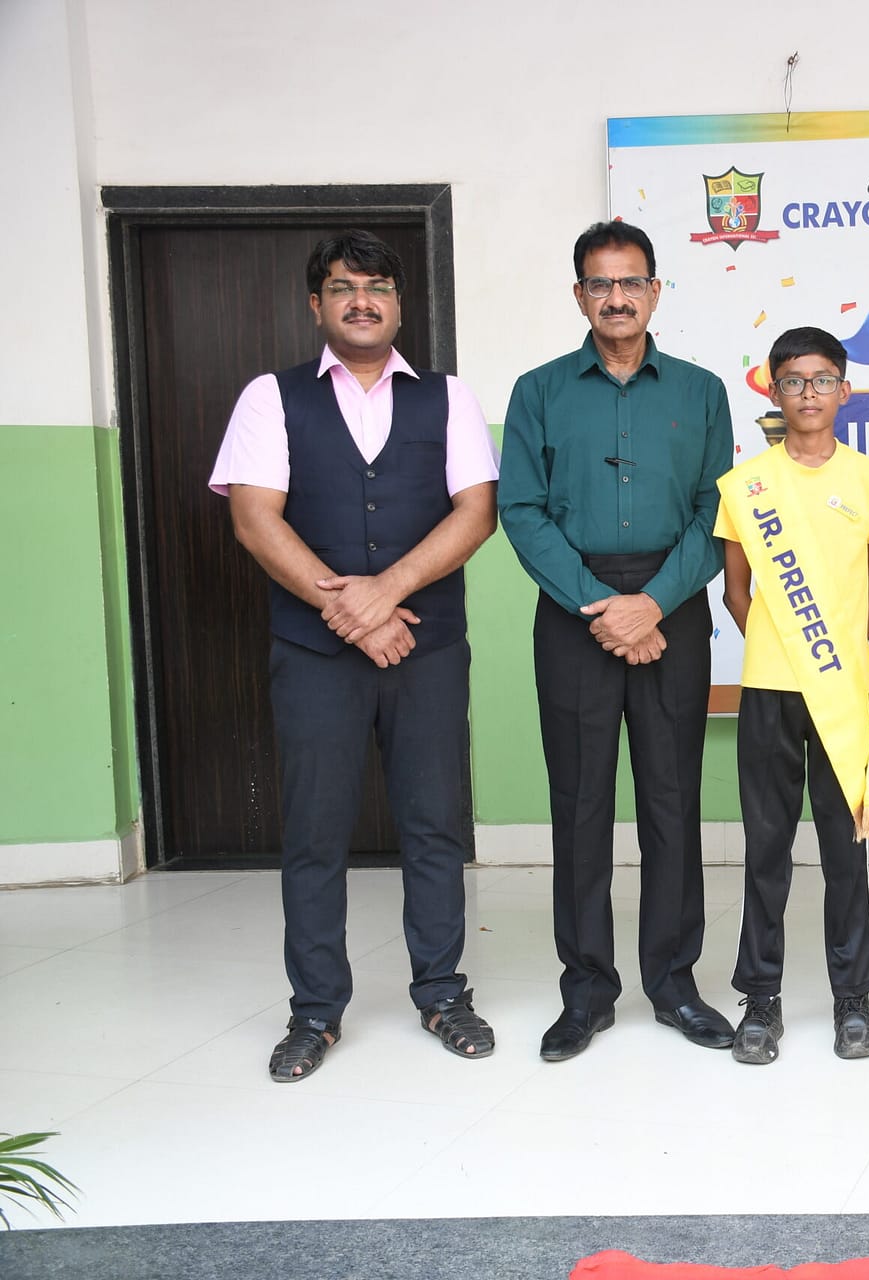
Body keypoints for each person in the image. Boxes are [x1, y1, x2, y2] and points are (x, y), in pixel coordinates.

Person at [209, 229, 499, 1081]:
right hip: (315, 653)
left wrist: (386, 592)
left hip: (427, 649)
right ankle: (315, 1012)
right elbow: (254, 518)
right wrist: (353, 613)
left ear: (400, 304)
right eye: (343, 287)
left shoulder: (448, 397)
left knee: (434, 825)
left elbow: (476, 512)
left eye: (377, 287)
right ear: (317, 304)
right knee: (314, 832)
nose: (362, 301)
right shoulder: (270, 396)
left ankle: (442, 993)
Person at [499, 221, 735, 1062]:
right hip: (576, 610)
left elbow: (717, 510)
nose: (617, 297)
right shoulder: (538, 391)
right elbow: (520, 509)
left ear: (655, 291)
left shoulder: (702, 391)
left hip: (673, 606)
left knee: (672, 802)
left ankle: (674, 983)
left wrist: (655, 603)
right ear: (579, 296)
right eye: (599, 284)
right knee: (580, 805)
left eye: (631, 282)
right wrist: (603, 607)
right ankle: (587, 991)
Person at [713, 326, 869, 1065]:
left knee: (845, 848)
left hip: (840, 689)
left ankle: (854, 997)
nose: (808, 393)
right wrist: (781, 648)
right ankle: (761, 998)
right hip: (768, 689)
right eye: (793, 381)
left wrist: (836, 658)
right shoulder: (745, 485)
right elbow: (736, 591)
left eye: (822, 380)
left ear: (844, 390)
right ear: (774, 391)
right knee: (766, 848)